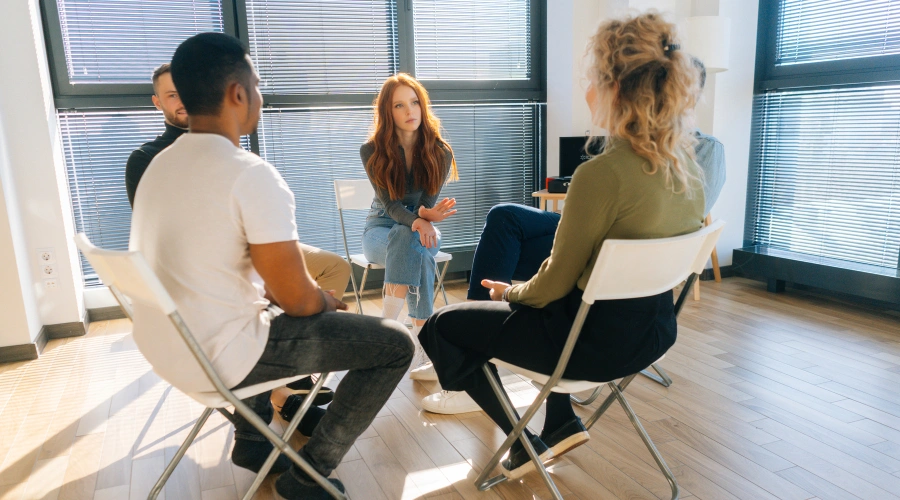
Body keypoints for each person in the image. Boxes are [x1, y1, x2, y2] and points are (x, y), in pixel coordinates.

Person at [417, 12, 705, 480]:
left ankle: (524, 439)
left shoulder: (601, 174)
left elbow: (549, 289)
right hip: (651, 334)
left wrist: (507, 292)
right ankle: (559, 418)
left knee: (441, 326)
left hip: (587, 348)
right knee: (523, 242)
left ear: (616, 88)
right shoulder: (689, 172)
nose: (587, 90)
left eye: (591, 79)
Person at [130, 33, 414, 499]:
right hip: (223, 356)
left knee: (265, 309)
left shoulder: (157, 167)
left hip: (168, 348)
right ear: (238, 94)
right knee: (395, 345)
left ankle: (251, 440)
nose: (260, 96)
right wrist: (324, 300)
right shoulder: (250, 173)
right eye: (258, 85)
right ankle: (310, 474)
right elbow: (299, 300)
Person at [125, 63, 351, 411]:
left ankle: (294, 372)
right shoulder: (148, 160)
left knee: (333, 266)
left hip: (250, 248)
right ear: (158, 103)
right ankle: (286, 386)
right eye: (172, 95)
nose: (182, 101)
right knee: (287, 295)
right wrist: (298, 291)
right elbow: (179, 235)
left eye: (186, 92)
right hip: (217, 262)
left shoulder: (230, 154)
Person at [360, 73, 458, 377]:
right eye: (399, 106)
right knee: (417, 247)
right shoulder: (372, 151)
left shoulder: (440, 151)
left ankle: (387, 333)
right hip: (380, 228)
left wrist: (427, 217)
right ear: (387, 113)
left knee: (413, 237)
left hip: (422, 227)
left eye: (414, 102)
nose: (409, 111)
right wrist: (419, 219)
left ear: (423, 105)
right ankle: (422, 341)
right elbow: (390, 206)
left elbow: (426, 204)